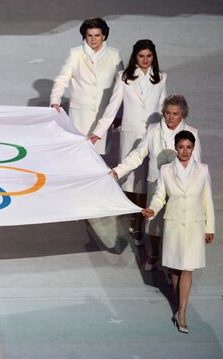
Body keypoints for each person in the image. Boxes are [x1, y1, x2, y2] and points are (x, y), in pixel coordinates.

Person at [90, 39, 167, 245]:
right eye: (141, 56)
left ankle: (141, 223)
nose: (145, 60)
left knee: (146, 182)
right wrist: (97, 132)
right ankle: (133, 220)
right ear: (135, 57)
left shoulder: (160, 78)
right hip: (130, 136)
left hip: (151, 136)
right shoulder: (124, 78)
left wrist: (166, 134)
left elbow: (163, 109)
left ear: (154, 57)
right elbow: (112, 108)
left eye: (149, 56)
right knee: (130, 181)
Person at [111, 95, 201, 271]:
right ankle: (154, 255)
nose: (170, 117)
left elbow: (197, 166)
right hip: (155, 185)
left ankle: (172, 266)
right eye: (167, 113)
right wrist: (118, 171)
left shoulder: (192, 133)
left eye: (175, 113)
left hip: (179, 189)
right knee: (153, 227)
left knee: (176, 228)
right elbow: (137, 155)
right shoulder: (153, 130)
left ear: (183, 113)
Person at [142, 130, 214, 333]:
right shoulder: (166, 170)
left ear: (193, 148)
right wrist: (152, 209)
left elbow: (206, 199)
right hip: (173, 225)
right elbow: (159, 196)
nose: (185, 151)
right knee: (175, 269)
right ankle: (179, 305)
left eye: (189, 147)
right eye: (181, 147)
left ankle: (181, 312)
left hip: (194, 225)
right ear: (176, 148)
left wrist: (209, 228)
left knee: (187, 269)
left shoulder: (203, 170)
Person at [50, 17, 123, 154]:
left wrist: (119, 114)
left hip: (103, 115)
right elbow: (61, 80)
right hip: (79, 116)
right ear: (85, 36)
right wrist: (55, 101)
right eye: (89, 36)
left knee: (98, 157)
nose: (93, 39)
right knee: (78, 154)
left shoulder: (114, 55)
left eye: (97, 35)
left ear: (104, 36)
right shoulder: (75, 54)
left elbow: (122, 86)